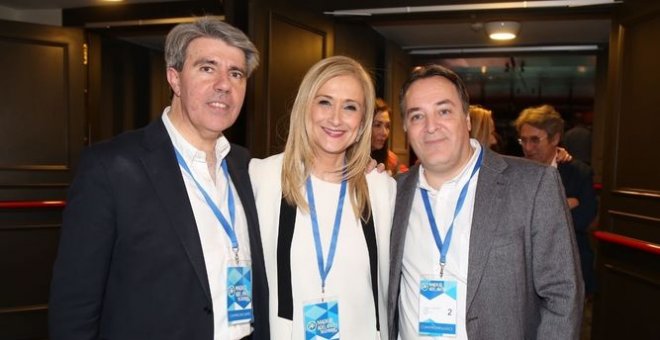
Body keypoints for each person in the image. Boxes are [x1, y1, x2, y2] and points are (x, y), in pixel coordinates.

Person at [49, 17, 269, 340]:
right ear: (174, 78)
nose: (224, 84)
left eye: (236, 73)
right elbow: (74, 306)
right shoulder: (110, 168)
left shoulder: (246, 166)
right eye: (207, 68)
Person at [387, 65, 584, 339]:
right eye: (417, 115)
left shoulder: (534, 184)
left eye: (444, 111)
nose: (431, 127)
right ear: (406, 127)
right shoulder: (390, 195)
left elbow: (563, 295)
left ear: (467, 119)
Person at [250, 56, 395, 339]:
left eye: (350, 107)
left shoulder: (381, 190)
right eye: (325, 102)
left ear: (363, 122)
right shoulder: (261, 178)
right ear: (306, 107)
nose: (336, 118)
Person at [515, 104, 598, 296]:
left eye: (535, 140)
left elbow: (583, 219)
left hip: (570, 269)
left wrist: (534, 212)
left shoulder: (578, 173)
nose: (528, 148)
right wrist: (564, 203)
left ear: (555, 139)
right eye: (523, 140)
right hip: (525, 274)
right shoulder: (515, 172)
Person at [371, 98, 409, 175]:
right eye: (377, 125)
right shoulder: (350, 157)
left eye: (387, 126)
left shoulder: (391, 160)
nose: (384, 133)